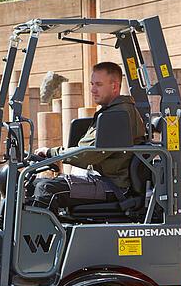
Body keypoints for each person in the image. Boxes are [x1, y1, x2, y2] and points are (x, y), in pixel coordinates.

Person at [30, 62, 146, 212]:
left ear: (114, 86)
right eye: (92, 84)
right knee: (32, 185)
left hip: (112, 186)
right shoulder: (113, 112)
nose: (92, 89)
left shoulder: (117, 116)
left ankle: (38, 236)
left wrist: (51, 153)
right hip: (104, 180)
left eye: (98, 84)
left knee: (46, 189)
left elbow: (86, 154)